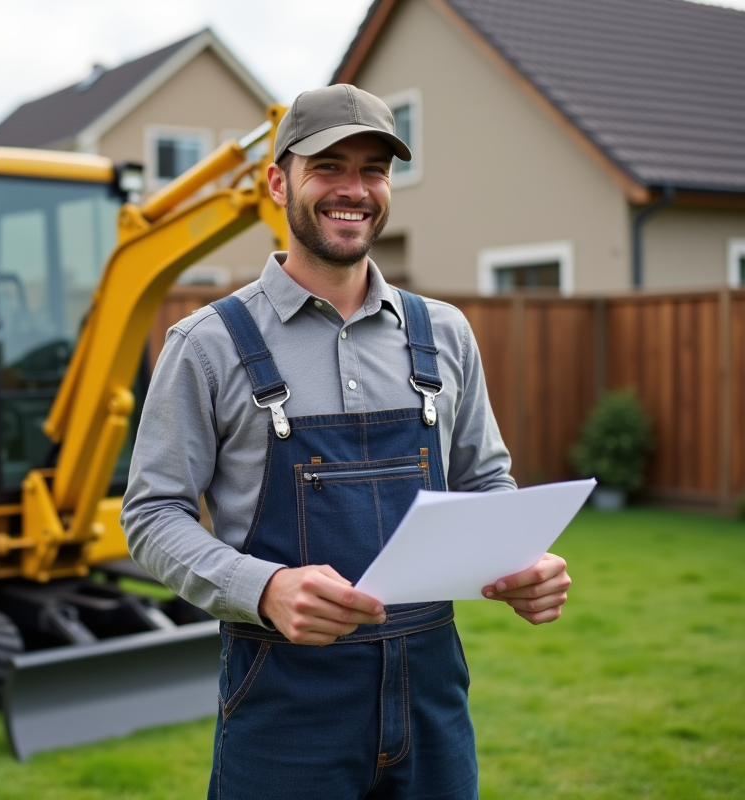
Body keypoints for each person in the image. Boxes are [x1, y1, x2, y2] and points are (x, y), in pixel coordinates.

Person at [121, 84, 572, 799]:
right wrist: (264, 587)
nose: (354, 189)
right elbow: (151, 515)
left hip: (432, 708)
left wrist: (519, 560)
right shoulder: (206, 344)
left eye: (374, 170)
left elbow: (486, 483)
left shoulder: (444, 333)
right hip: (284, 714)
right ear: (279, 183)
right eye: (328, 166)